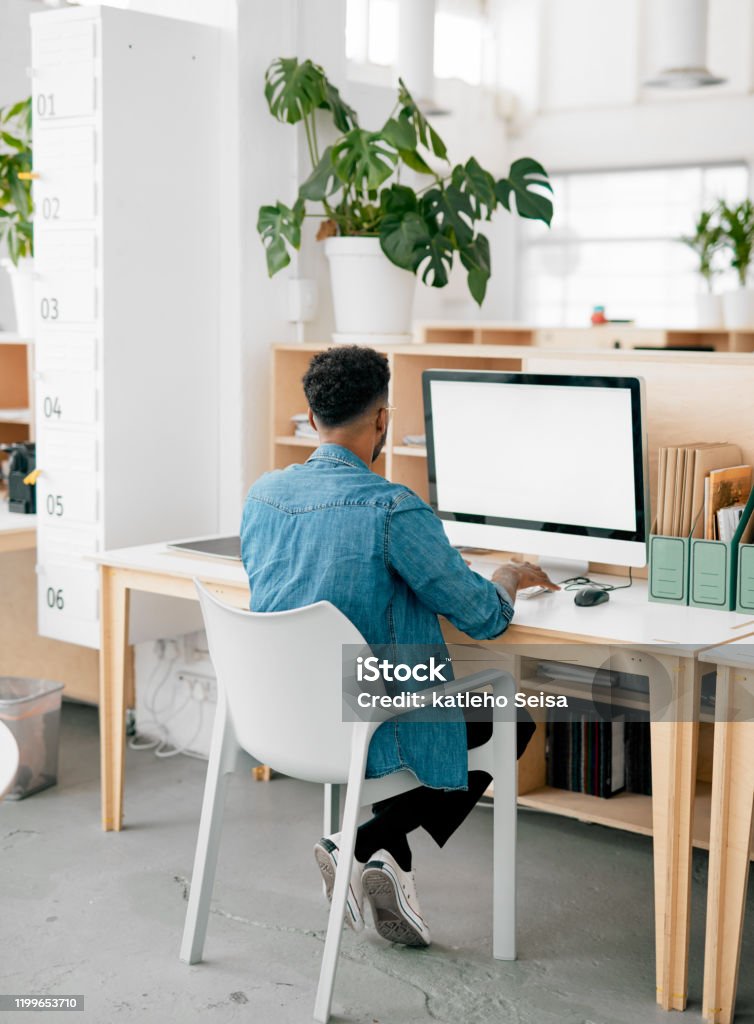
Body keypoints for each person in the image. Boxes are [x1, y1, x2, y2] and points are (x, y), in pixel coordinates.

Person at [240, 346, 558, 948]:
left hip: (285, 718)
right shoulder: (393, 508)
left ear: (311, 419)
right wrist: (509, 575)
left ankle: (388, 853)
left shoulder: (262, 497)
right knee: (510, 721)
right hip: (369, 722)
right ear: (383, 421)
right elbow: (484, 619)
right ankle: (360, 843)